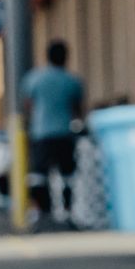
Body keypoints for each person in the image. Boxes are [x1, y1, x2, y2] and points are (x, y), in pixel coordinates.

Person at [21, 38, 86, 228]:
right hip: (64, 133)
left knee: (39, 175)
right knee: (67, 174)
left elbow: (28, 104)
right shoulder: (72, 81)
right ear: (66, 57)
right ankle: (68, 212)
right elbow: (77, 108)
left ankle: (42, 213)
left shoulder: (34, 79)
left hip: (41, 133)